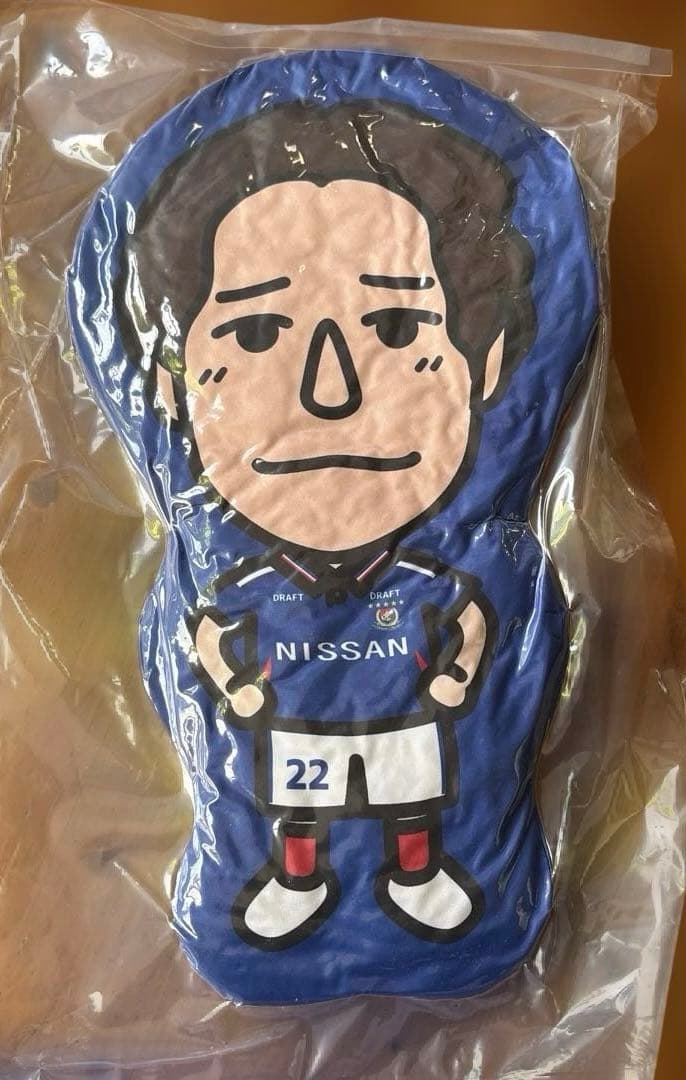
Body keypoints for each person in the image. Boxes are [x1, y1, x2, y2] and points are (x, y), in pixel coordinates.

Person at [114, 98, 536, 950]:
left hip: (410, 735)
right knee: (298, 811)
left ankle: (417, 874)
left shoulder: (437, 576)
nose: (330, 392)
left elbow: (471, 627)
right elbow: (204, 641)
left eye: (394, 327)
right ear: (168, 379)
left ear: (485, 362)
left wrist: (454, 681)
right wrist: (234, 688)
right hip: (292, 741)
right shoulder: (243, 584)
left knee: (411, 801)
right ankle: (295, 879)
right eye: (257, 332)